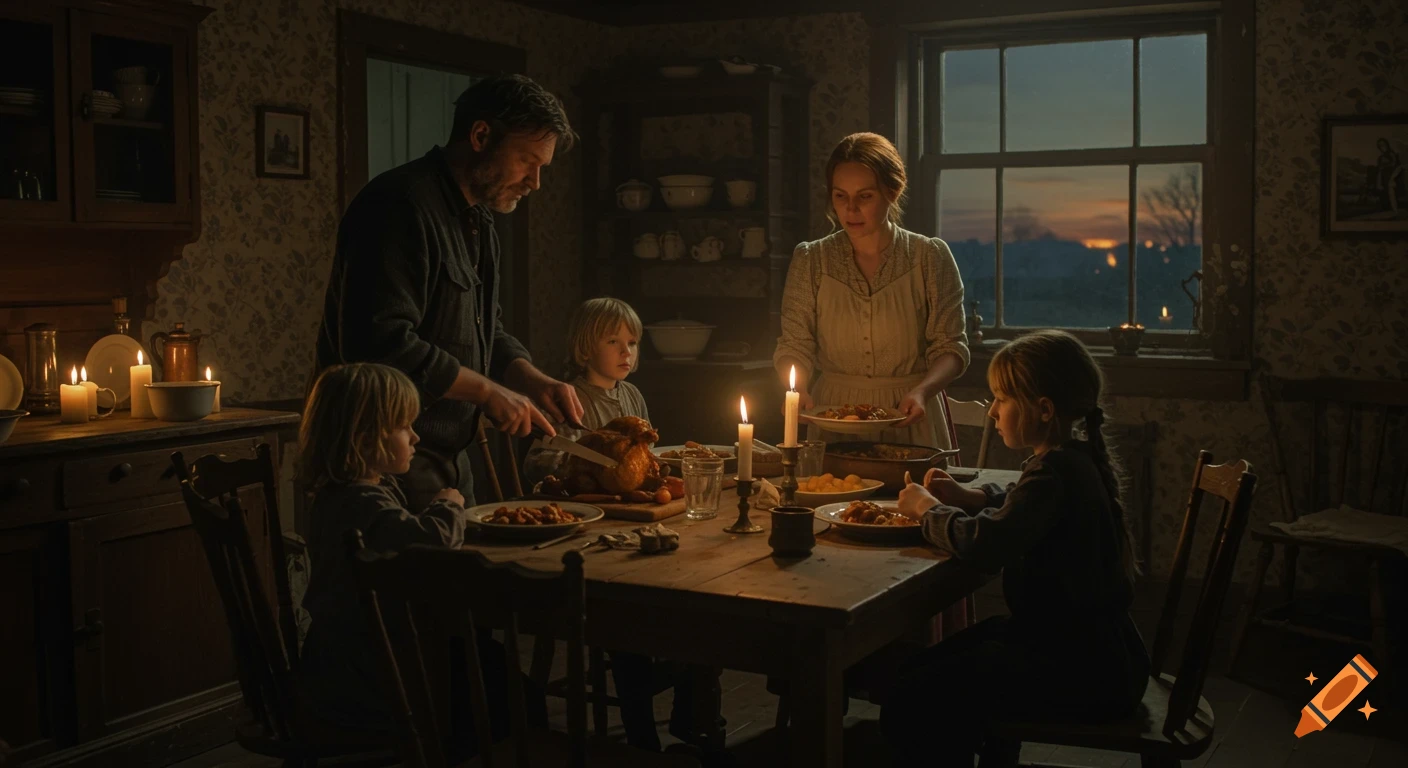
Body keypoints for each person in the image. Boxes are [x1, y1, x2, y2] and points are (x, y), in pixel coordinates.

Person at [314, 74, 585, 513]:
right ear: (480, 136)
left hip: (450, 457)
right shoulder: (399, 205)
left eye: (542, 168)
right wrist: (486, 392)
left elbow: (484, 330)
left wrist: (528, 378)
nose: (535, 182)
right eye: (526, 161)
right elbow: (379, 342)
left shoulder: (479, 221)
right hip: (381, 461)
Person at [880, 330, 1149, 767]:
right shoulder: (1070, 460)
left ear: (1043, 409)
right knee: (917, 669)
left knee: (913, 695)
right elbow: (1023, 509)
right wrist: (976, 498)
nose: (993, 414)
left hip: (1079, 671)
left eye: (1002, 400)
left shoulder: (1053, 473)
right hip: (1100, 654)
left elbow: (985, 546)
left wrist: (927, 510)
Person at [295, 363, 547, 751]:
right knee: (508, 690)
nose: (415, 437)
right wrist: (449, 505)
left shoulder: (347, 494)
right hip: (370, 675)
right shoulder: (360, 504)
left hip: (349, 658)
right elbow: (431, 541)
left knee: (489, 664)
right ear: (364, 438)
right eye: (403, 427)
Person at [522, 297, 723, 752]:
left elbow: (645, 463)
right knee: (626, 627)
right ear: (583, 347)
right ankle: (641, 737)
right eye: (613, 341)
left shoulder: (632, 396)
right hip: (591, 541)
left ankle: (691, 714)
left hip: (636, 523)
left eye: (632, 342)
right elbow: (539, 463)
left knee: (700, 600)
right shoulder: (570, 398)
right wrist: (577, 456)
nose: (625, 351)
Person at [774, 131, 970, 450]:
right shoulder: (811, 259)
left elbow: (951, 347)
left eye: (864, 196)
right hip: (833, 417)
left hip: (909, 414)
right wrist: (795, 389)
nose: (851, 209)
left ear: (891, 192)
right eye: (840, 196)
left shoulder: (929, 256)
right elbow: (794, 344)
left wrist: (922, 391)